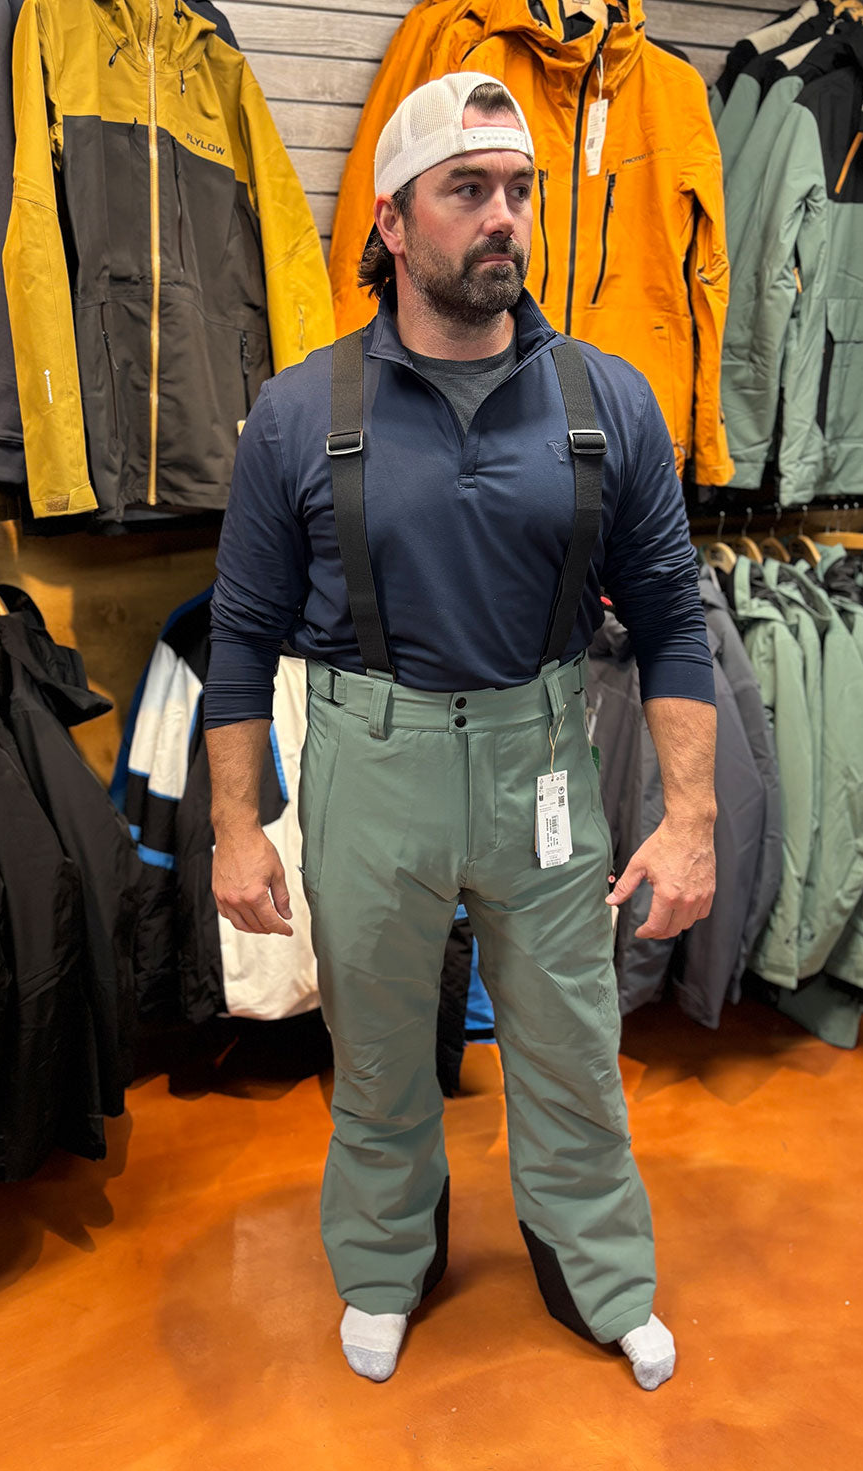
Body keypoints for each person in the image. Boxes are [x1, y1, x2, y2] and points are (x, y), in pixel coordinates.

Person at [205, 72, 717, 1391]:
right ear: (391, 221)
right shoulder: (297, 414)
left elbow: (670, 611)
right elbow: (242, 635)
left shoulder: (608, 403)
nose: (503, 220)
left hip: (542, 758)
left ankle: (598, 1272)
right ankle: (385, 1264)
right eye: (468, 192)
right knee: (377, 1053)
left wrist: (693, 819)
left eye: (521, 192)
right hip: (367, 766)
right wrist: (234, 827)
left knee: (571, 1044)